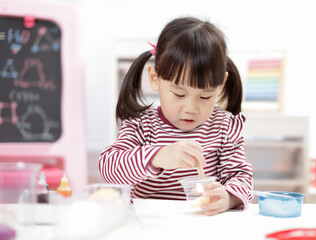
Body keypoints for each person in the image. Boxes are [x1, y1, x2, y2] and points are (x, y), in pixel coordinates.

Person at [98, 16, 253, 216]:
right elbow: (108, 168)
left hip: (202, 223)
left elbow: (241, 176)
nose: (191, 108)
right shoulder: (141, 124)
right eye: (179, 94)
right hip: (150, 223)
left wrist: (228, 198)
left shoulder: (224, 126)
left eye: (205, 96)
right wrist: (156, 157)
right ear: (155, 79)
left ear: (221, 84)